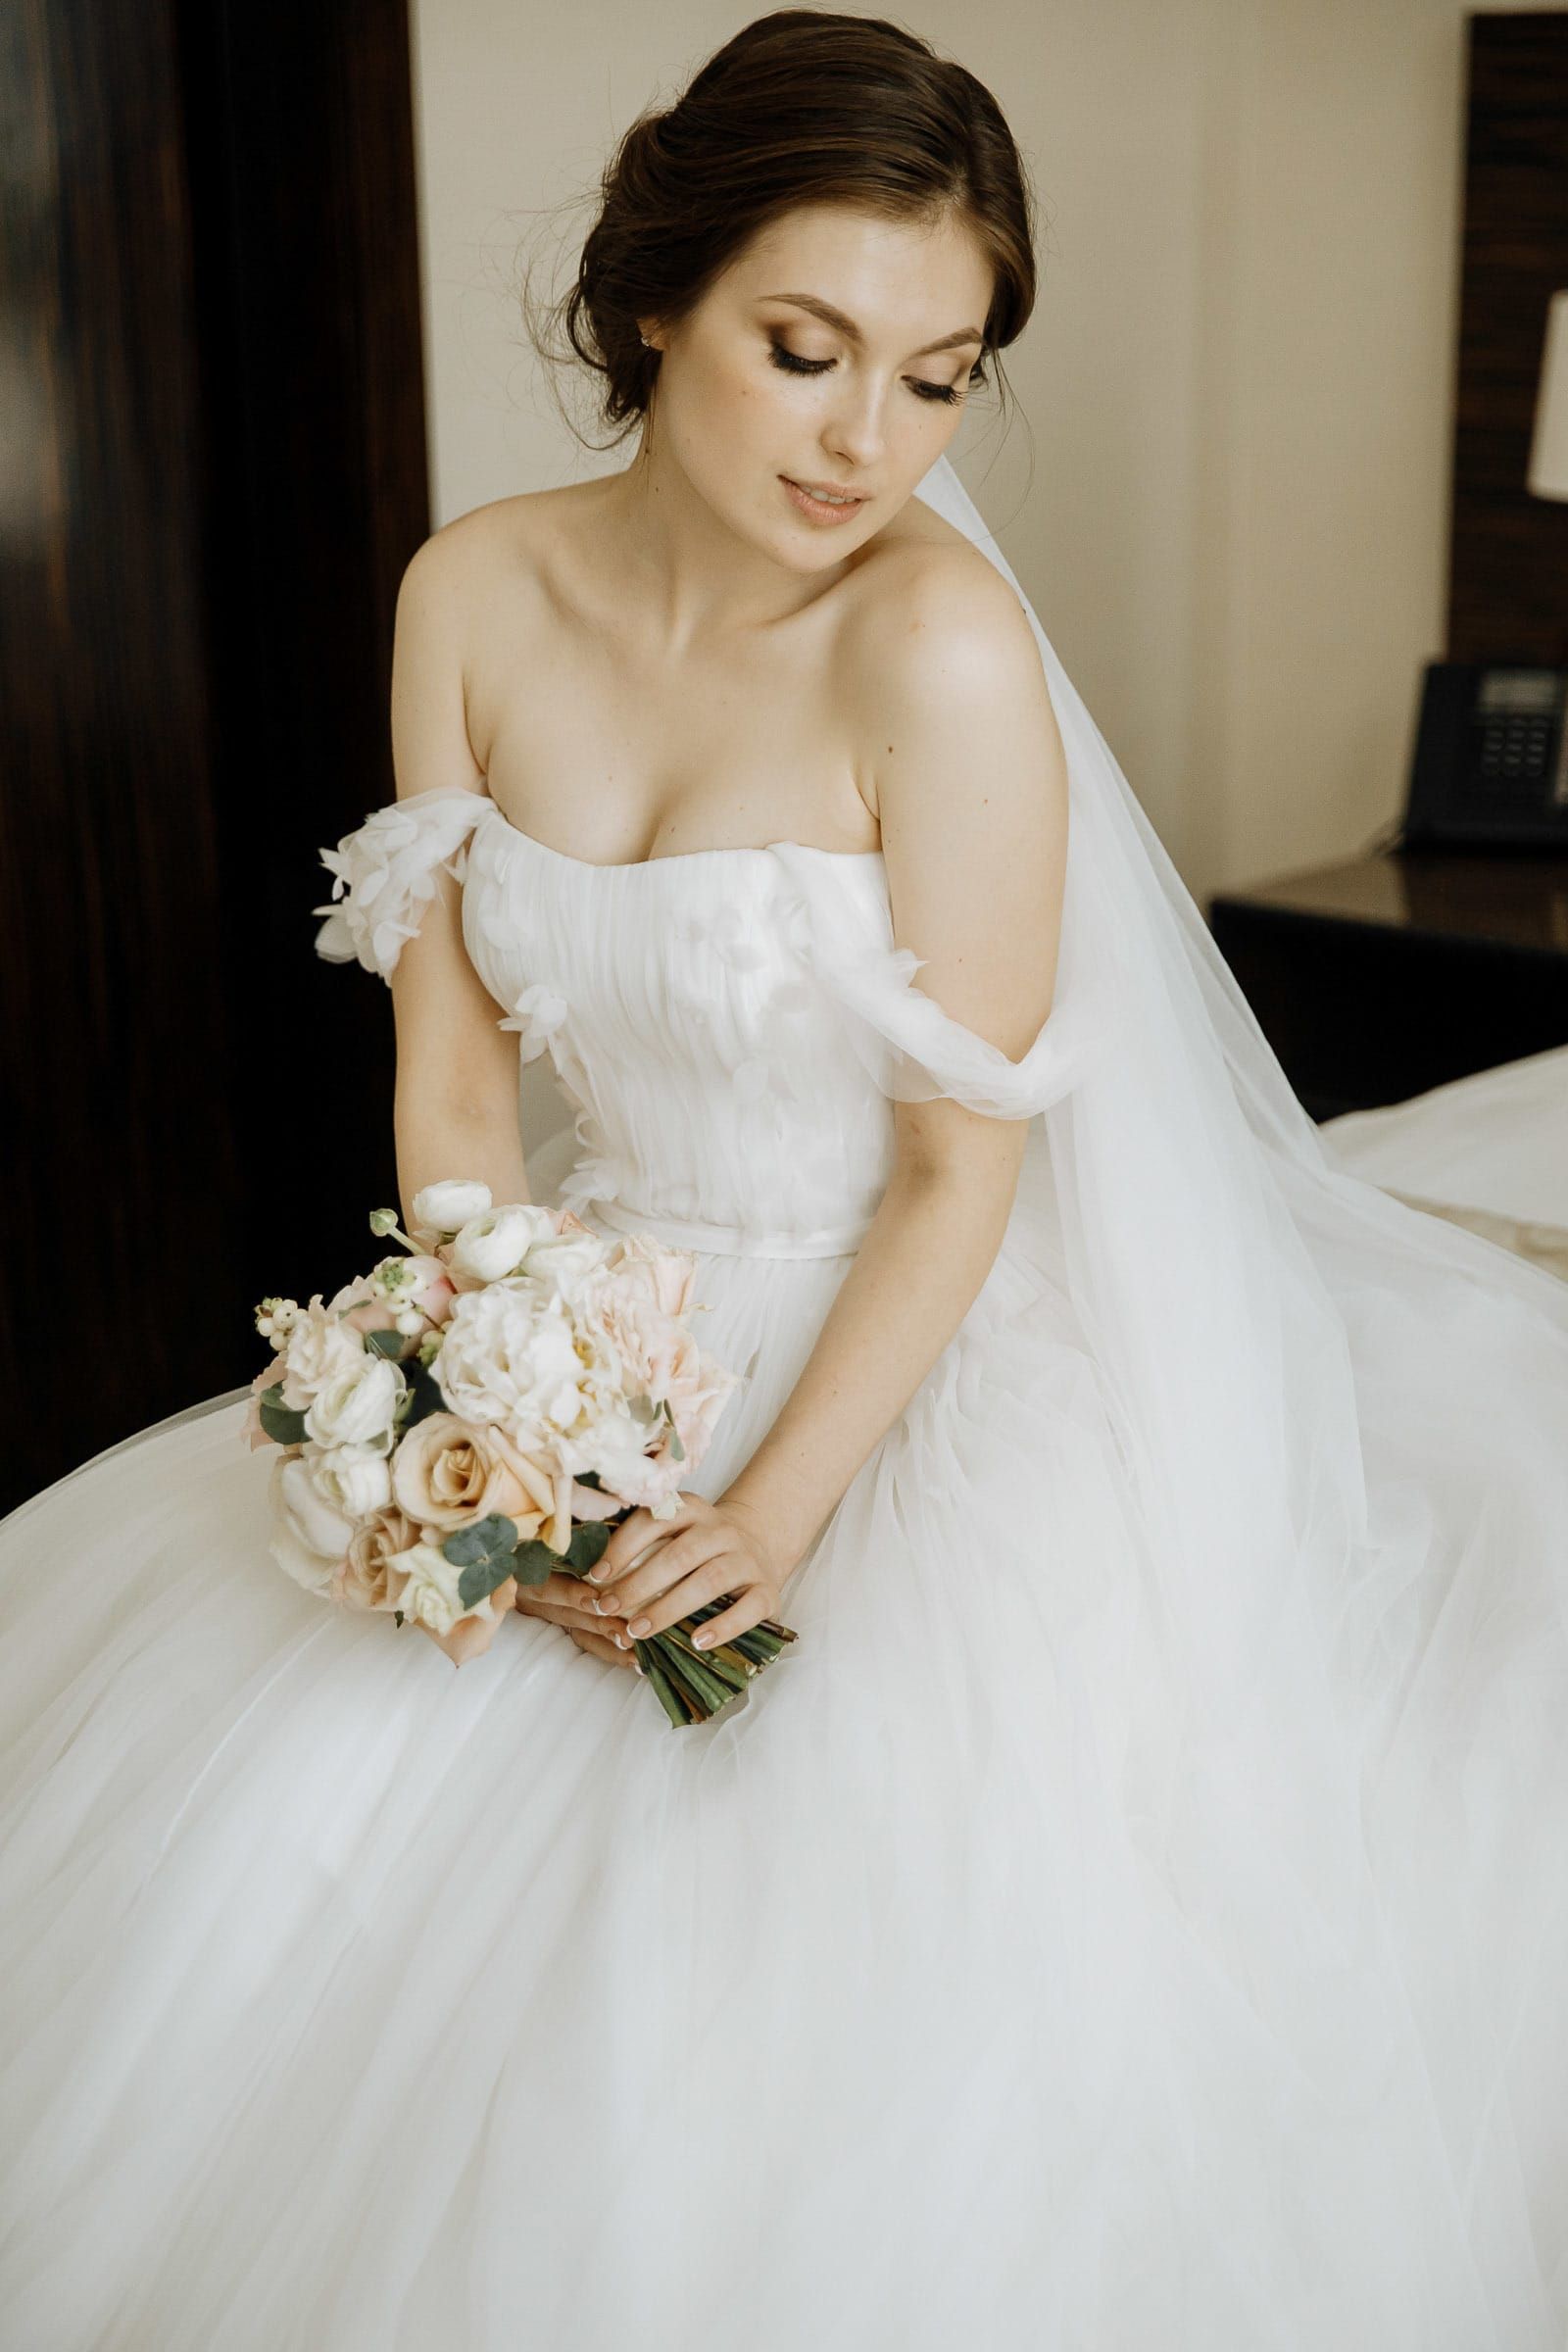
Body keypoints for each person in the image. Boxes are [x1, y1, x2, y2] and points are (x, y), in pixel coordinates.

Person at [2, 12, 1566, 2347]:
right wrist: (505, 1427)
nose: (868, 443)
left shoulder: (934, 652)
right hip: (578, 1311)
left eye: (935, 379)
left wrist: (768, 1512)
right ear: (655, 300)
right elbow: (449, 1073)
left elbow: (959, 1170)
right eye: (805, 349)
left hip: (903, 1355)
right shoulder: (468, 594)